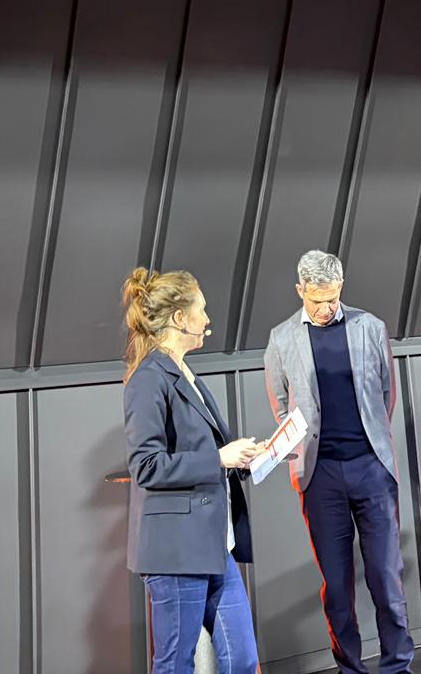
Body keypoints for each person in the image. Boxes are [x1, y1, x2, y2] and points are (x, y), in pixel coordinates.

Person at [264, 250, 413, 674]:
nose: (325, 308)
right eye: (316, 300)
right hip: (319, 475)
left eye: (332, 299)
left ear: (341, 287)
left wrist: (373, 446)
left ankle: (397, 665)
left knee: (386, 575)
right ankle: (351, 667)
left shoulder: (370, 327)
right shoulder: (282, 339)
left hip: (371, 468)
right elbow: (281, 407)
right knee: (336, 583)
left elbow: (386, 394)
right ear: (300, 291)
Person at [122, 267, 265, 674]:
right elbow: (146, 466)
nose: (207, 319)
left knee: (242, 659)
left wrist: (250, 456)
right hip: (177, 551)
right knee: (175, 663)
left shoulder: (185, 372)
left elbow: (207, 449)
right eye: (201, 310)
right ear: (179, 318)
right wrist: (219, 458)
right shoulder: (149, 378)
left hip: (215, 545)